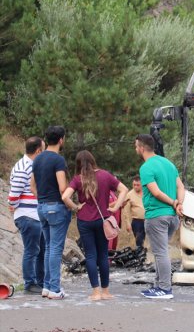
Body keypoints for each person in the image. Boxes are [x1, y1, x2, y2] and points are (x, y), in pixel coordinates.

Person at [62, 151, 128, 301]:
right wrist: (116, 206)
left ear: (78, 164)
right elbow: (124, 190)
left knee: (91, 255)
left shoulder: (78, 179)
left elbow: (65, 196)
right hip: (103, 219)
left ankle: (96, 292)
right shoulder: (105, 175)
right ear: (93, 160)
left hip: (85, 222)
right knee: (103, 255)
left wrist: (76, 207)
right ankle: (106, 292)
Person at [135, 134, 184, 299]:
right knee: (159, 251)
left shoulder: (146, 167)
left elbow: (155, 192)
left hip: (157, 215)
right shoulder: (168, 163)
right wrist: (179, 204)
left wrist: (173, 202)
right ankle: (158, 286)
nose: (136, 149)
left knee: (161, 252)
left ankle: (165, 289)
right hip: (172, 217)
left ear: (141, 148)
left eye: (136, 147)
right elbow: (181, 187)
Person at [31, 126, 71, 299]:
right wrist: (71, 201)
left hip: (41, 206)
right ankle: (55, 288)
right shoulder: (58, 160)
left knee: (48, 247)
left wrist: (42, 198)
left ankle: (47, 286)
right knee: (55, 248)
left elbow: (32, 185)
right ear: (61, 139)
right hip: (56, 207)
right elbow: (63, 187)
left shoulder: (37, 159)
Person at [8, 137, 46, 294]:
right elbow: (14, 193)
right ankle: (30, 283)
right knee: (32, 250)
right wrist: (15, 207)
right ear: (38, 151)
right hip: (27, 215)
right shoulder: (23, 167)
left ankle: (40, 281)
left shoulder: (33, 166)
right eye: (43, 150)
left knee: (41, 250)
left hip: (36, 215)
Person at [122, 175, 146, 248]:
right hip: (137, 222)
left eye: (138, 185)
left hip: (149, 220)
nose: (135, 187)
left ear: (142, 184)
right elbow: (126, 211)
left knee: (154, 240)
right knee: (139, 241)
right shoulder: (129, 195)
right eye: (134, 185)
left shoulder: (147, 192)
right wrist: (128, 223)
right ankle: (140, 257)